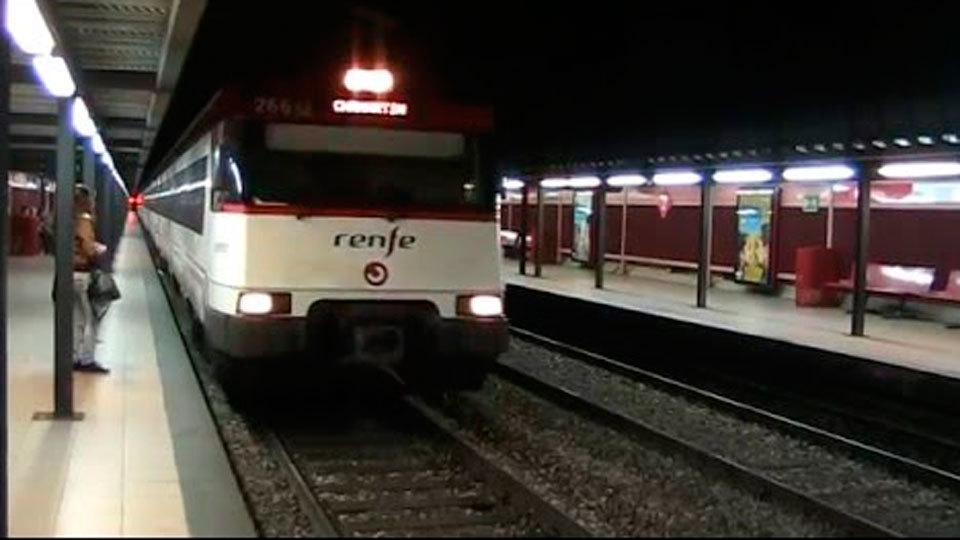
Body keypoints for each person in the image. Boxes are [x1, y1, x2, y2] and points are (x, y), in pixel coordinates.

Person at [73, 185, 110, 374]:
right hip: (82, 275)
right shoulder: (84, 220)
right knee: (91, 319)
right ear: (85, 201)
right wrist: (98, 249)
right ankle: (87, 359)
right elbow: (87, 249)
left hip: (70, 274)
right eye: (92, 199)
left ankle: (73, 356)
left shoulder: (68, 218)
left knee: (77, 319)